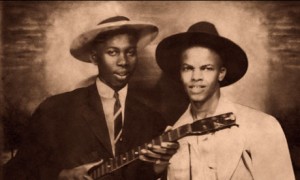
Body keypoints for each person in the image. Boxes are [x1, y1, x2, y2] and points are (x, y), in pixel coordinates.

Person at [4, 16, 178, 180]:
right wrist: (61, 175)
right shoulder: (55, 109)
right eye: (112, 52)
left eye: (130, 52)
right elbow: (15, 171)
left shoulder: (151, 118)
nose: (123, 61)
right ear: (95, 57)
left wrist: (157, 168)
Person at [155, 21, 295, 179]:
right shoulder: (174, 136)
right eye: (188, 68)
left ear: (221, 73)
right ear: (180, 74)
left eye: (206, 68)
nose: (196, 77)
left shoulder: (262, 127)